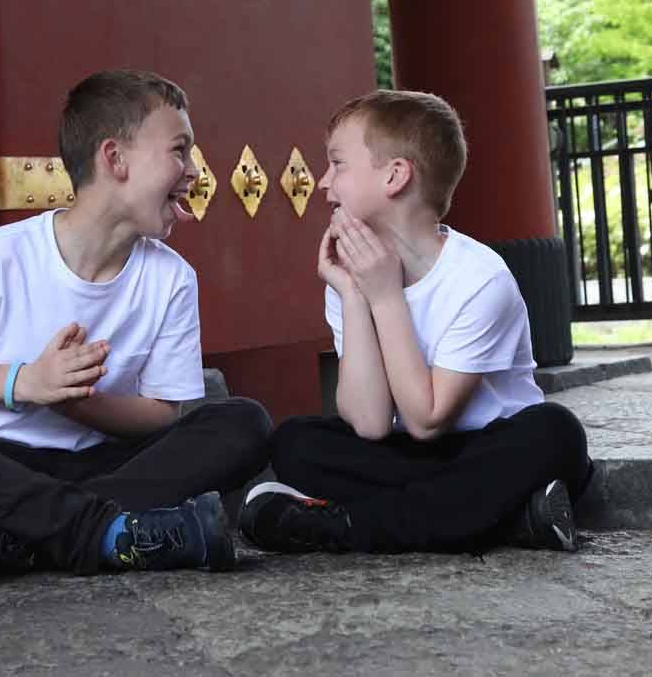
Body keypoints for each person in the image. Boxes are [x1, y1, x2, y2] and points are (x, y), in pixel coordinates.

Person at [0, 70, 271, 586]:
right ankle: (111, 533)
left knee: (244, 424)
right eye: (179, 150)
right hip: (0, 468)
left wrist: (74, 402)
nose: (193, 170)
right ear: (114, 159)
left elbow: (162, 414)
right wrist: (26, 383)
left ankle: (14, 540)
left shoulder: (172, 278)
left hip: (107, 469)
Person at [239, 89, 590, 557]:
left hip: (489, 447)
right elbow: (368, 424)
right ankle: (510, 519)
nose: (324, 182)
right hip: (409, 457)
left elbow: (427, 419)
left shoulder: (478, 277)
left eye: (338, 164)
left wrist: (385, 297)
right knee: (296, 442)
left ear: (395, 176)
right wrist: (351, 294)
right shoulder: (351, 275)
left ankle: (346, 526)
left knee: (555, 432)